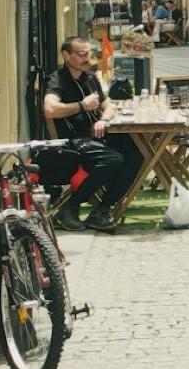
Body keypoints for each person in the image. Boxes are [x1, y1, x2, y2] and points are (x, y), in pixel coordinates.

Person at [42, 36, 144, 232]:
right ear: (66, 55)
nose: (87, 58)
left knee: (137, 150)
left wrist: (103, 120)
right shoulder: (57, 80)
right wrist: (82, 106)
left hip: (94, 136)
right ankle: (69, 208)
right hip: (72, 140)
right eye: (82, 55)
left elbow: (109, 106)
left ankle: (101, 211)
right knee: (113, 159)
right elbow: (50, 109)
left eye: (89, 54)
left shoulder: (89, 77)